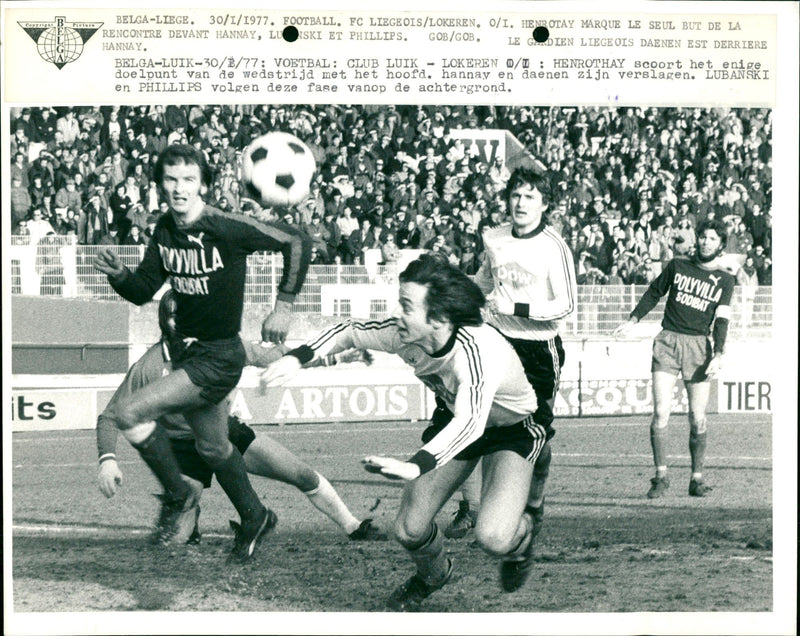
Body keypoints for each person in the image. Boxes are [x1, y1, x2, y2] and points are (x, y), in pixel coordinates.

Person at [262, 255, 548, 610]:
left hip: (511, 430)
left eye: (407, 306)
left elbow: (471, 422)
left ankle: (523, 539)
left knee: (492, 537)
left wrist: (415, 466)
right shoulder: (405, 335)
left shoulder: (477, 350)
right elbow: (349, 331)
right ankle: (434, 574)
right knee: (409, 529)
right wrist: (297, 358)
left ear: (439, 318)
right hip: (454, 419)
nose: (398, 313)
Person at [93, 144, 313, 563]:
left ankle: (178, 495)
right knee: (213, 448)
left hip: (218, 356)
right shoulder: (164, 230)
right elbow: (143, 291)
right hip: (190, 356)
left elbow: (297, 240)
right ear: (160, 184)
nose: (179, 188)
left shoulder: (225, 225)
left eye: (189, 180)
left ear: (204, 185)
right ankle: (255, 516)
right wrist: (120, 275)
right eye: (171, 179)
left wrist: (284, 305)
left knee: (129, 413)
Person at [96, 291, 386, 544]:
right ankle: (187, 511)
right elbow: (109, 416)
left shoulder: (223, 347)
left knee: (300, 474)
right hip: (183, 449)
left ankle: (353, 526)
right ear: (165, 322)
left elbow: (275, 357)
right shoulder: (148, 366)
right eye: (178, 317)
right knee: (171, 542)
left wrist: (333, 357)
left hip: (224, 432)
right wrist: (107, 460)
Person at [444, 167, 577, 540]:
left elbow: (565, 306)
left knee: (538, 437)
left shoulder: (554, 247)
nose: (520, 202)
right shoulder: (494, 238)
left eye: (530, 196)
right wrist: (455, 287)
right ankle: (479, 512)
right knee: (485, 425)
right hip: (498, 344)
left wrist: (515, 307)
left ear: (544, 204)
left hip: (539, 350)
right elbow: (486, 281)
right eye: (516, 195)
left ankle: (534, 502)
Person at [613, 218, 735, 498]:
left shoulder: (725, 281)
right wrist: (634, 319)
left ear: (721, 246)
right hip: (668, 340)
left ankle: (697, 478)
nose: (705, 241)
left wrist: (718, 353)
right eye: (703, 236)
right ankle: (660, 477)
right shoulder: (677, 266)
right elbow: (655, 292)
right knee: (660, 412)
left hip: (699, 349)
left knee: (698, 417)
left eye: (712, 239)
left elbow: (721, 320)